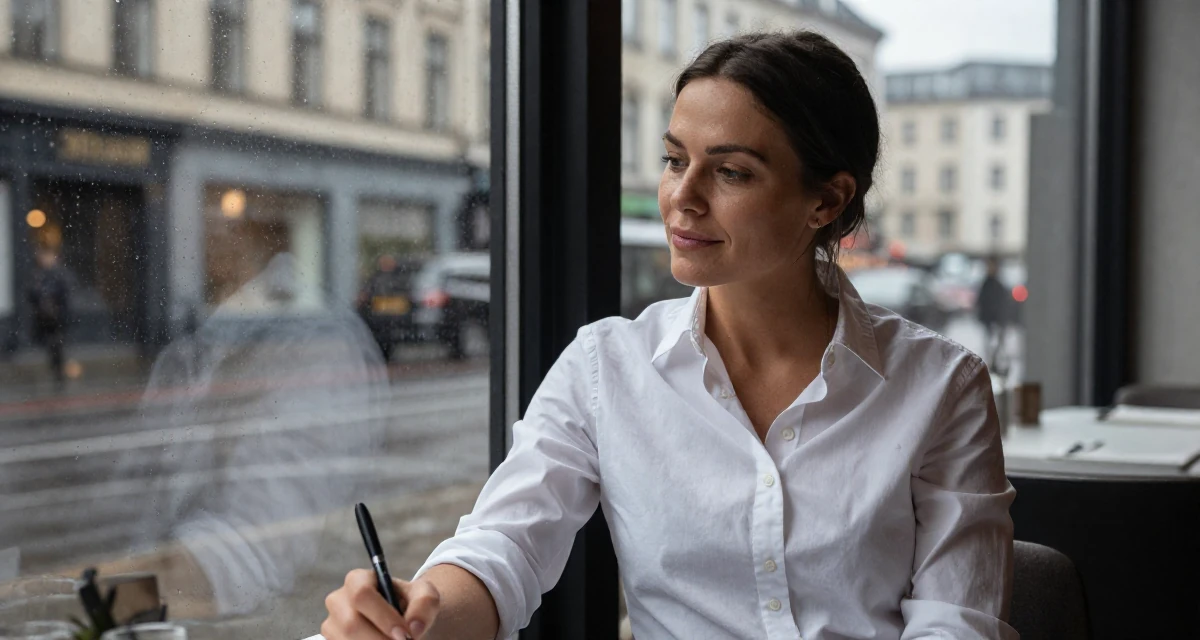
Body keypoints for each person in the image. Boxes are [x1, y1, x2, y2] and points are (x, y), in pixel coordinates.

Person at [323, 31, 1016, 640]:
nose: (683, 197)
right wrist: (415, 615)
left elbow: (958, 623)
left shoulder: (941, 387)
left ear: (827, 200)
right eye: (675, 159)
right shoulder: (606, 368)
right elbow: (502, 548)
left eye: (731, 171)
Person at [27, 246, 72, 385]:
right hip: (42, 319)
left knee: (56, 345)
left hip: (56, 319)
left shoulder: (60, 275)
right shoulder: (37, 275)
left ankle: (59, 373)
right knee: (48, 345)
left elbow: (65, 296)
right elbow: (32, 294)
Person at [976, 257, 1012, 367]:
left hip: (997, 318)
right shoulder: (985, 284)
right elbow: (981, 301)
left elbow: (1003, 303)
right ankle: (992, 361)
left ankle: (996, 361)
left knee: (997, 343)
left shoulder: (998, 285)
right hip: (988, 318)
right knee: (989, 342)